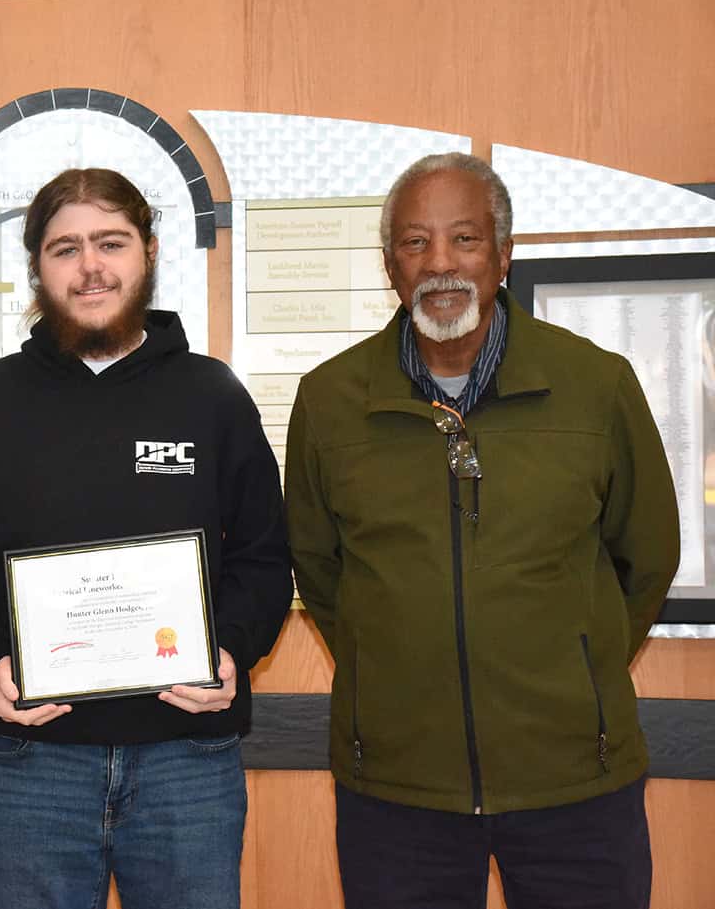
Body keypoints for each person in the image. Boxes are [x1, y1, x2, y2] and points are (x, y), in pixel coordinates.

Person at [284, 152, 680, 909]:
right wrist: (396, 665)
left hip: (574, 781)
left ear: (504, 254)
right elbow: (320, 569)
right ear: (389, 265)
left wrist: (576, 662)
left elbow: (647, 554)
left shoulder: (597, 386)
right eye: (414, 242)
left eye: (464, 239)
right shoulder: (330, 401)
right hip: (398, 789)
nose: (440, 264)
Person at [0, 168, 292, 909]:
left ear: (147, 251)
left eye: (111, 242)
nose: (90, 267)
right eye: (65, 248)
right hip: (32, 762)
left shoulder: (212, 395)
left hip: (187, 758)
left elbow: (264, 555)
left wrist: (232, 646)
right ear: (37, 268)